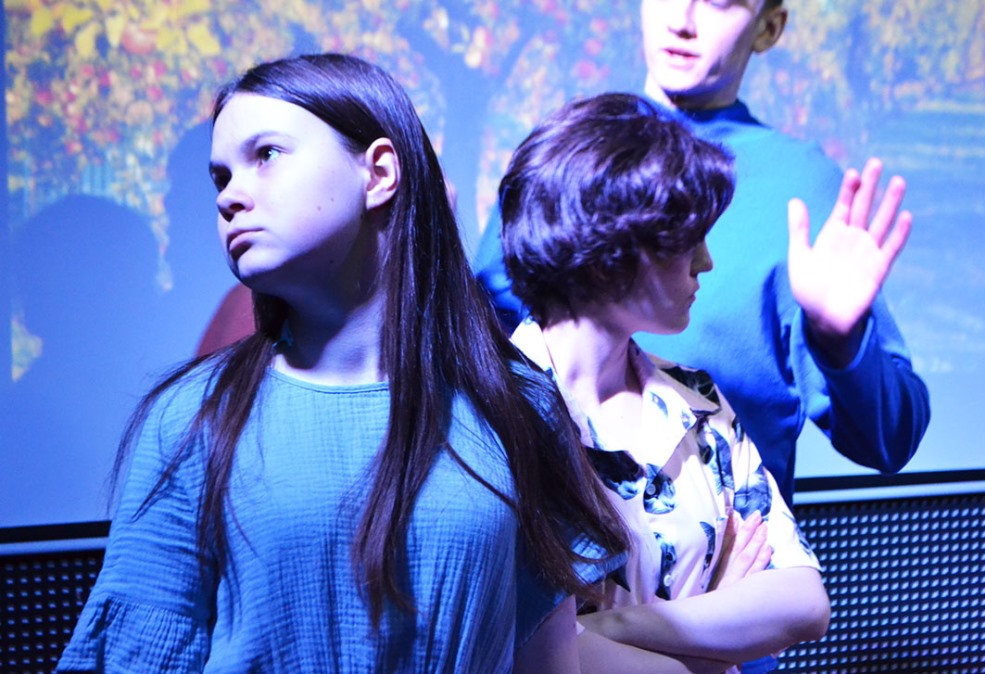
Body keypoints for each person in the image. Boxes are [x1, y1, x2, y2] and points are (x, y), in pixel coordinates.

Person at [56, 53, 628, 673]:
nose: (230, 197)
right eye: (220, 178)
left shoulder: (516, 406)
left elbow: (547, 660)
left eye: (266, 155)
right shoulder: (190, 419)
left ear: (378, 172)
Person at [474, 0, 931, 507]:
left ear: (769, 27)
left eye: (718, 2)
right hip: (541, 533)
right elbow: (473, 360)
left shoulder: (802, 189)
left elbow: (890, 440)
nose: (681, 20)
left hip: (727, 543)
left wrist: (841, 342)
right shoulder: (567, 155)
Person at [500, 92, 831, 674]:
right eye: (685, 239)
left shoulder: (697, 400)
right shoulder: (489, 411)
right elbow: (517, 657)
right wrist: (714, 640)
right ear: (607, 248)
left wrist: (608, 628)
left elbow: (804, 603)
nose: (706, 262)